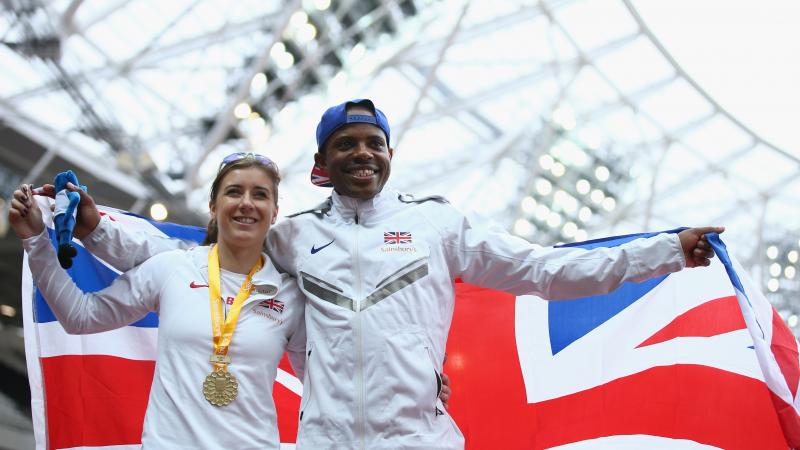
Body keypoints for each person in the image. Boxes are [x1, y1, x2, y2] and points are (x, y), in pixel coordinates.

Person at [55, 99, 722, 450]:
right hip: (324, 443)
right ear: (323, 162)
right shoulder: (290, 236)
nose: (363, 153)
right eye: (346, 144)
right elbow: (180, 259)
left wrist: (665, 250)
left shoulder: (439, 225)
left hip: (420, 440)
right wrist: (91, 226)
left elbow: (545, 272)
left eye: (374, 142)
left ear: (390, 154)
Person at [9, 154, 307, 449]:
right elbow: (81, 316)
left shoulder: (291, 295)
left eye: (260, 195)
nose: (246, 203)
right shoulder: (173, 267)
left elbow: (321, 387)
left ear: (275, 211)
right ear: (214, 206)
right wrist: (36, 240)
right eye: (233, 191)